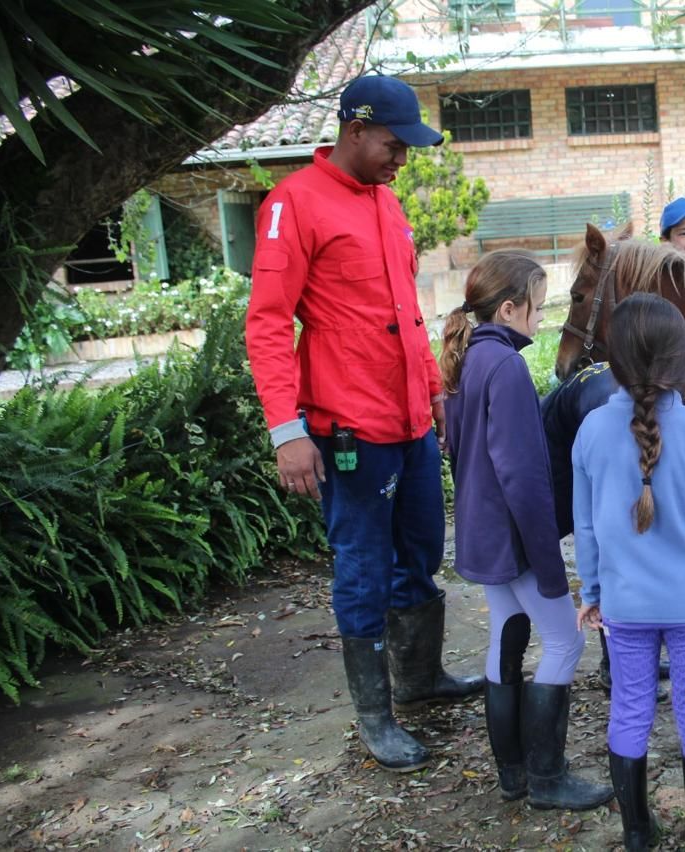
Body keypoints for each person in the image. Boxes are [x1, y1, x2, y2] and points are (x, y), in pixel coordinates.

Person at [244, 75, 482, 774]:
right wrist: (287, 431)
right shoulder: (295, 205)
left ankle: (419, 680)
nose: (402, 157)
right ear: (355, 131)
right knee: (364, 568)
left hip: (409, 421)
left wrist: (436, 394)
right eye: (393, 143)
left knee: (422, 550)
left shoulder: (385, 201)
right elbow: (265, 324)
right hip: (349, 428)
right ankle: (377, 717)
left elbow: (405, 315)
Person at [573, 294, 685, 852]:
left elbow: (586, 528)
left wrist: (592, 591)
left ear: (613, 359)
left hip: (624, 606)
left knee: (628, 712)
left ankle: (637, 833)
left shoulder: (590, 431)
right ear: (681, 357)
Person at [441, 250, 613, 811]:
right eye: (539, 308)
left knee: (505, 634)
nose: (543, 320)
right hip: (514, 536)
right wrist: (547, 560)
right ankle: (547, 776)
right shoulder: (508, 367)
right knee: (566, 639)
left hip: (481, 529)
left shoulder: (469, 356)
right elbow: (520, 473)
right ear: (510, 308)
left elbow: (460, 452)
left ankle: (512, 772)